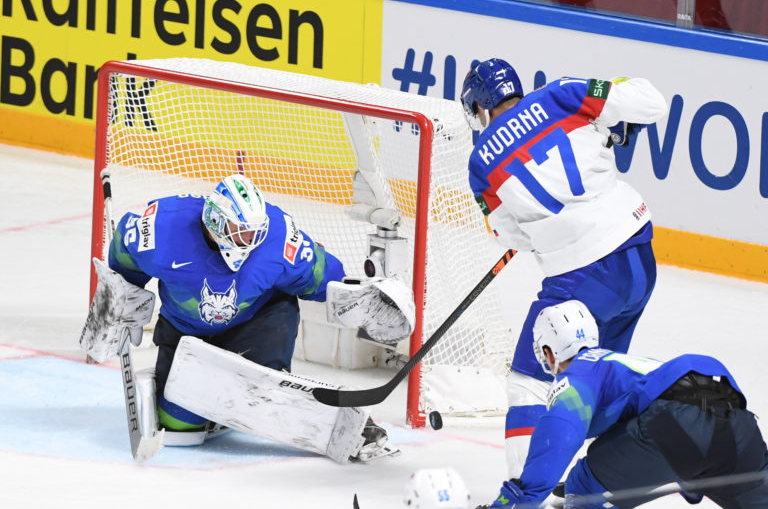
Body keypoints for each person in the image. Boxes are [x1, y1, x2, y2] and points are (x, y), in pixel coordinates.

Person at [84, 173, 413, 462]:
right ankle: (214, 403)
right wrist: (122, 295)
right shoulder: (161, 228)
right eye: (239, 230)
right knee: (180, 429)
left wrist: (360, 299)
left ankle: (350, 425)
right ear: (214, 221)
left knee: (263, 391)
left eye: (254, 231)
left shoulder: (278, 239)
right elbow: (124, 253)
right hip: (185, 330)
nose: (249, 240)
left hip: (258, 323)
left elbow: (320, 276)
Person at [460, 58, 668, 481]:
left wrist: (543, 227)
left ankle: (525, 494)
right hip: (639, 258)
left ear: (480, 107)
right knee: (600, 380)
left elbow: (510, 236)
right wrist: (609, 120)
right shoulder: (563, 93)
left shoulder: (481, 163)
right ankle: (600, 485)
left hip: (583, 278)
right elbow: (652, 103)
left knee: (529, 381)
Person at [476, 300, 768, 508]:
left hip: (675, 425)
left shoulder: (578, 374)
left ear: (549, 352)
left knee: (583, 485)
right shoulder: (626, 364)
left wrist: (519, 499)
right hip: (737, 422)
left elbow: (562, 432)